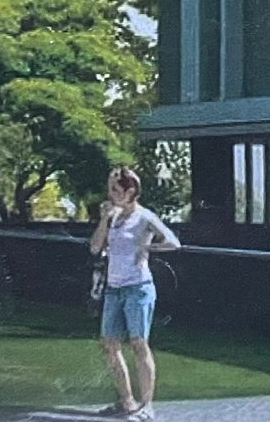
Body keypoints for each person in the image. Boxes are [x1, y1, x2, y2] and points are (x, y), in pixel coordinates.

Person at [88, 165, 180, 420]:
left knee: (139, 343)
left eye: (116, 190)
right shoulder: (114, 217)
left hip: (138, 287)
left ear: (130, 192)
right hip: (114, 288)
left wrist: (147, 248)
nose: (111, 194)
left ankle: (147, 405)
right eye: (110, 189)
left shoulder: (145, 217)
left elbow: (173, 242)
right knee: (109, 343)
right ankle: (127, 401)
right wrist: (104, 219)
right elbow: (95, 247)